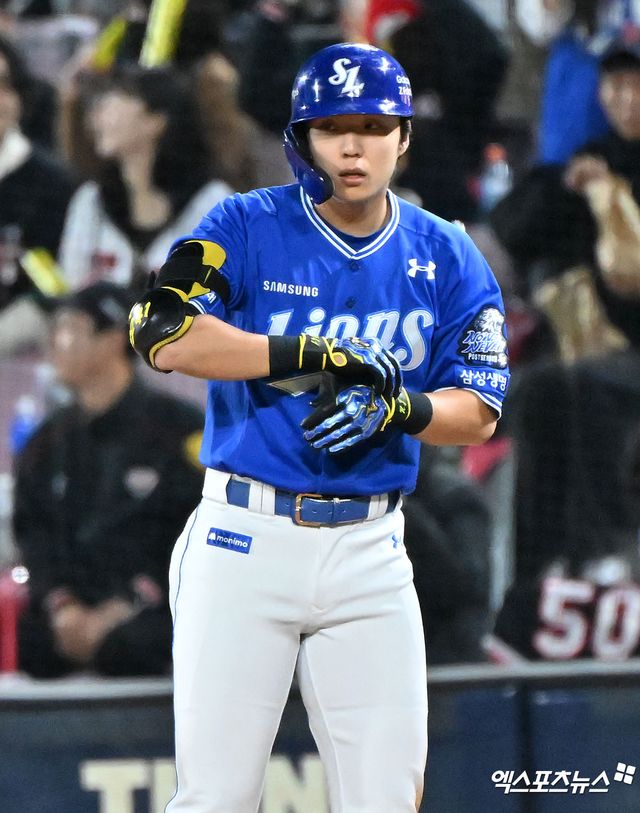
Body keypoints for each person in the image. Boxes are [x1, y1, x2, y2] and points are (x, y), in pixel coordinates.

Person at [128, 43, 509, 811]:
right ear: (301, 140)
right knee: (217, 798)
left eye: (373, 125)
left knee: (386, 798)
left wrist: (404, 407)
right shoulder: (245, 223)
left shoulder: (447, 250)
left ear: (404, 136)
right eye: (332, 126)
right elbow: (159, 328)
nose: (353, 145)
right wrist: (307, 352)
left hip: (372, 544)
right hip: (246, 535)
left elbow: (481, 408)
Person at [13, 281, 204, 678]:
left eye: (69, 329)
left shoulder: (179, 431)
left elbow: (195, 532)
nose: (53, 343)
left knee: (133, 645)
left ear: (113, 338)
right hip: (70, 613)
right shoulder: (45, 443)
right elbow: (34, 532)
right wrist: (61, 604)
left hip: (154, 608)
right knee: (32, 641)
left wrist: (128, 604)